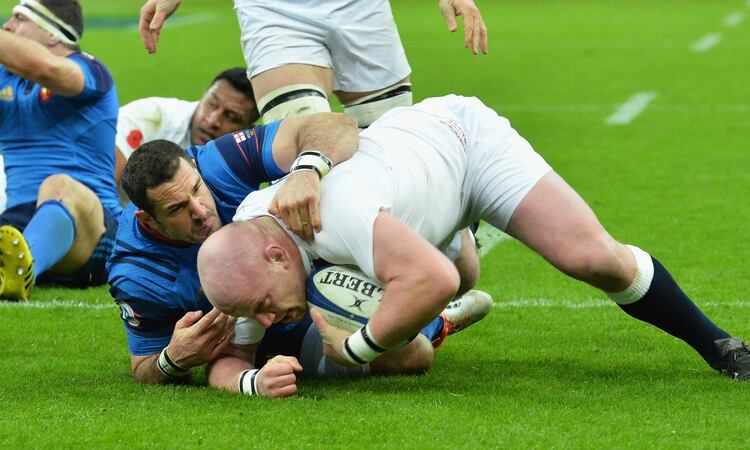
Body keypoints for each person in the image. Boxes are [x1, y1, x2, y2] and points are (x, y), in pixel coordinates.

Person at [199, 95, 750, 382]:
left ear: (278, 255)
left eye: (263, 308)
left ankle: (719, 344)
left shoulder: (331, 214)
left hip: (464, 144)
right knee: (435, 300)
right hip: (407, 191)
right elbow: (234, 356)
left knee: (593, 259)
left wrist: (356, 350)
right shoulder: (248, 265)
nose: (266, 319)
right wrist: (250, 382)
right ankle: (448, 228)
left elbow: (435, 281)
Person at [108, 113, 490, 394]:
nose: (200, 210)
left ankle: (441, 241)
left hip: (305, 263)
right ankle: (435, 323)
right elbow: (143, 368)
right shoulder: (136, 268)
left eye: (196, 189)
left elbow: (337, 124)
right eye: (177, 209)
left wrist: (306, 169)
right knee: (413, 357)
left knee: (464, 271)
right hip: (258, 321)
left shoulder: (218, 163)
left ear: (194, 168)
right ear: (149, 219)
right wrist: (173, 360)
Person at [137, 0, 488, 127]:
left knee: (389, 141)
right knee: (305, 141)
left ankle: (419, 266)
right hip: (275, 10)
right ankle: (325, 273)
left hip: (360, 8)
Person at [0, 0, 119, 301]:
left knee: (58, 184)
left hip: (91, 227)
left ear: (53, 33)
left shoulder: (90, 70)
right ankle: (14, 267)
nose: (8, 27)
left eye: (19, 18)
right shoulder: (6, 79)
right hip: (17, 223)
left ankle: (21, 268)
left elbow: (44, 66)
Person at [113, 66, 259, 204]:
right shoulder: (151, 116)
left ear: (247, 130)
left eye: (231, 116)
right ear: (204, 95)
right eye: (212, 103)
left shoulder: (245, 167)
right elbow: (100, 177)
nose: (212, 120)